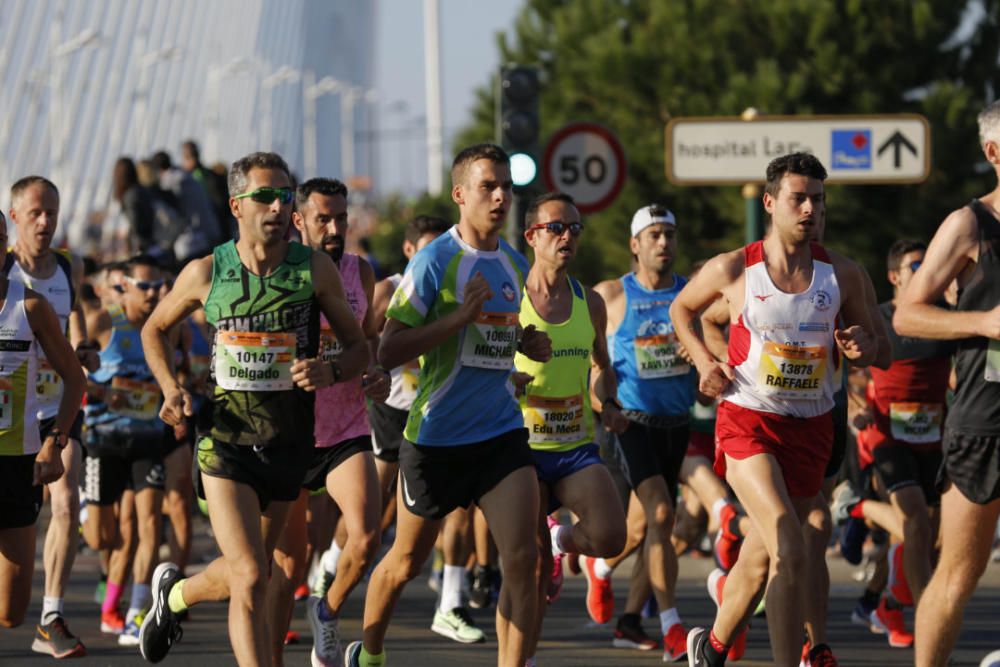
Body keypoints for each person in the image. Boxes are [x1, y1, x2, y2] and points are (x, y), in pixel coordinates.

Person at [136, 151, 369, 666]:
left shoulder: (315, 269)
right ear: (237, 205)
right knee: (247, 576)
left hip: (288, 442)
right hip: (225, 442)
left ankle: (173, 598)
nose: (278, 206)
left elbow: (360, 349)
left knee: (257, 570)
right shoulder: (205, 272)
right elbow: (154, 327)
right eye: (265, 195)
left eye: (285, 196)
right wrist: (169, 387)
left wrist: (330, 371)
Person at [344, 143, 551, 667]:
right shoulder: (435, 261)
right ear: (461, 195)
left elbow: (501, 331)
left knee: (523, 560)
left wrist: (527, 341)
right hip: (436, 438)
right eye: (488, 186)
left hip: (501, 434)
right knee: (405, 562)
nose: (501, 195)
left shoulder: (513, 261)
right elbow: (388, 348)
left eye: (506, 185)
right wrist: (457, 319)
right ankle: (368, 653)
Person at [670, 152, 878, 666]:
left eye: (818, 200)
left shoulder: (844, 275)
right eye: (799, 198)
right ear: (770, 203)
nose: (810, 209)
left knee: (765, 552)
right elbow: (683, 309)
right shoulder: (734, 268)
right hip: (747, 420)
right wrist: (705, 361)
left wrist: (861, 346)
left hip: (810, 426)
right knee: (789, 539)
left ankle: (711, 645)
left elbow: (883, 347)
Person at [895, 101, 1000, 666]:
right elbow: (908, 315)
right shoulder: (969, 225)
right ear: (994, 153)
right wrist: (984, 322)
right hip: (985, 421)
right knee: (960, 572)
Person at [270, 177, 390, 667]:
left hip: (346, 427)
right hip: (289, 431)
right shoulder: (279, 272)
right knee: (286, 564)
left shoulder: (360, 272)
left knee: (365, 538)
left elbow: (367, 340)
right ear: (298, 221)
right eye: (324, 218)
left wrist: (374, 370)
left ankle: (327, 609)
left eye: (341, 217)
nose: (336, 227)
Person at [514, 192, 628, 666]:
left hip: (575, 443)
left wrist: (610, 402)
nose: (567, 237)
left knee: (609, 537)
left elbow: (601, 366)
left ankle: (564, 540)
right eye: (557, 228)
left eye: (575, 229)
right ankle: (526, 658)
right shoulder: (510, 298)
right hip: (520, 447)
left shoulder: (590, 302)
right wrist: (508, 381)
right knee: (533, 569)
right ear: (532, 236)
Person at [589, 204, 696, 660]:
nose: (664, 243)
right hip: (630, 422)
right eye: (654, 235)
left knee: (642, 527)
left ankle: (625, 611)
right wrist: (604, 405)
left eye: (669, 235)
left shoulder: (692, 295)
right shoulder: (612, 295)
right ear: (635, 244)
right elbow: (589, 364)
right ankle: (671, 623)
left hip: (677, 422)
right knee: (660, 516)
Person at [4, 176, 96, 658]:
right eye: (36, 213)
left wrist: (83, 348)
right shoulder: (6, 273)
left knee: (65, 502)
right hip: (10, 416)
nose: (46, 222)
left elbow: (73, 313)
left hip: (55, 407)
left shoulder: (67, 265)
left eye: (53, 214)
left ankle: (52, 616)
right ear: (15, 216)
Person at [82, 254, 172, 645]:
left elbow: (177, 373)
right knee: (103, 537)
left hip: (149, 439)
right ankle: (111, 601)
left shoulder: (165, 328)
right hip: (104, 439)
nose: (153, 294)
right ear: (126, 287)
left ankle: (137, 612)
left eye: (158, 287)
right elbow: (72, 372)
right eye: (145, 287)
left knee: (148, 523)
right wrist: (101, 390)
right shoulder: (104, 322)